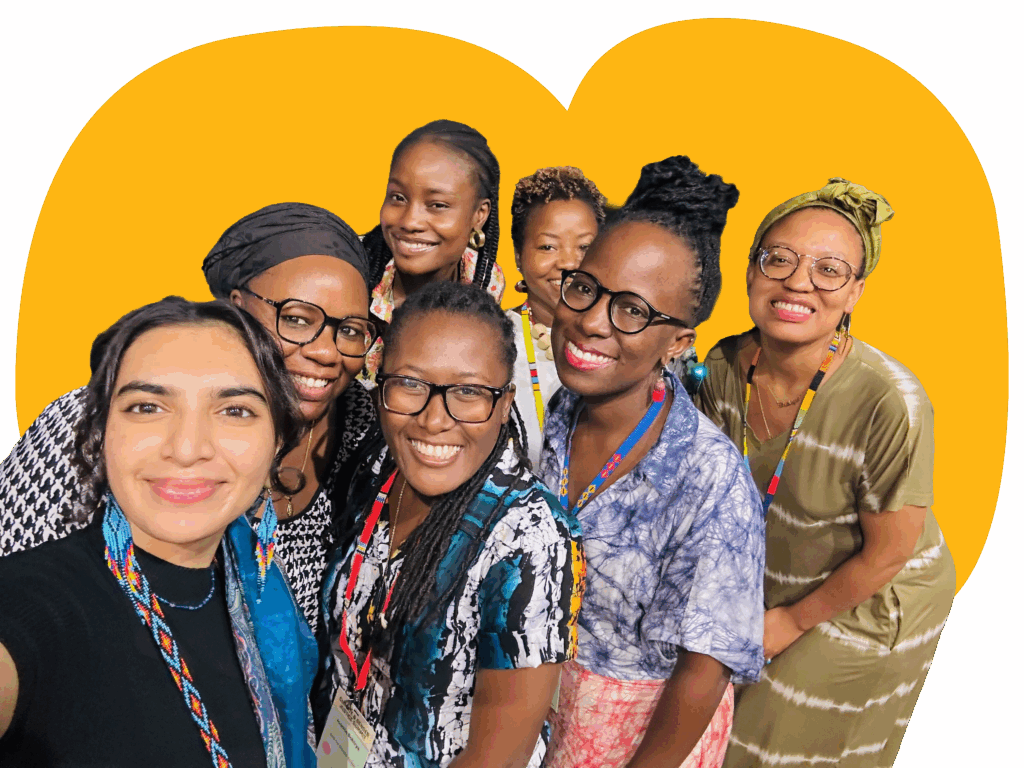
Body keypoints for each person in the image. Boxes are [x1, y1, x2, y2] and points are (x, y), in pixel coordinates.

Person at [0, 203, 381, 632]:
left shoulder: (362, 430)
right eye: (295, 319)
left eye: (349, 330)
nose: (327, 352)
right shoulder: (91, 423)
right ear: (236, 307)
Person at [695, 179, 956, 768]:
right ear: (751, 271)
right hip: (774, 580)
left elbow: (889, 552)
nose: (797, 282)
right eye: (779, 259)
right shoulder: (720, 367)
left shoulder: (889, 401)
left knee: (759, 745)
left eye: (829, 270)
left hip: (866, 596)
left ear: (855, 292)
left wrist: (786, 622)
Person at [0, 297, 317, 767]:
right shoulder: (33, 600)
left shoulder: (255, 588)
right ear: (101, 432)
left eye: (234, 411)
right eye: (147, 406)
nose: (187, 448)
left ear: (276, 442)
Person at [538, 156, 765, 768]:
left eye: (632, 311)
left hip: (638, 743)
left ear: (679, 342)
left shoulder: (708, 478)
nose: (589, 321)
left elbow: (704, 667)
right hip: (537, 716)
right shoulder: (558, 410)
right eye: (585, 288)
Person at [318, 281, 585, 768]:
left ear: (504, 405)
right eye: (411, 384)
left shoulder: (531, 539)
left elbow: (497, 758)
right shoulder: (377, 468)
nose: (433, 419)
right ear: (381, 389)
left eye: (467, 392)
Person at [360, 120, 506, 382]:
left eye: (437, 205)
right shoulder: (350, 272)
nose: (410, 221)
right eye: (398, 197)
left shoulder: (483, 279)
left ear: (479, 214)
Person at [507, 166, 607, 466]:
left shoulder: (625, 343)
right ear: (518, 255)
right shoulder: (492, 342)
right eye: (548, 246)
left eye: (585, 246)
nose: (568, 262)